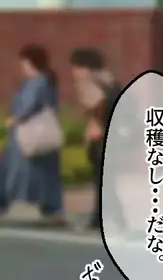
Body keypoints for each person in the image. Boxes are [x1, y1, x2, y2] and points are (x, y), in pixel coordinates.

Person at [0, 45, 66, 226]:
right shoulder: (46, 81)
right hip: (40, 137)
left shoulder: (38, 82)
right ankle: (52, 209)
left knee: (18, 170)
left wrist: (15, 119)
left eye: (24, 63)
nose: (22, 67)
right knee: (46, 173)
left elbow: (29, 106)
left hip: (29, 136)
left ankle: (11, 202)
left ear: (31, 63)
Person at [69, 47, 126, 232]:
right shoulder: (111, 83)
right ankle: (101, 218)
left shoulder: (96, 85)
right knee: (104, 181)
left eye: (76, 68)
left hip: (102, 139)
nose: (75, 73)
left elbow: (97, 110)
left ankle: (117, 220)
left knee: (103, 181)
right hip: (111, 138)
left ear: (86, 68)